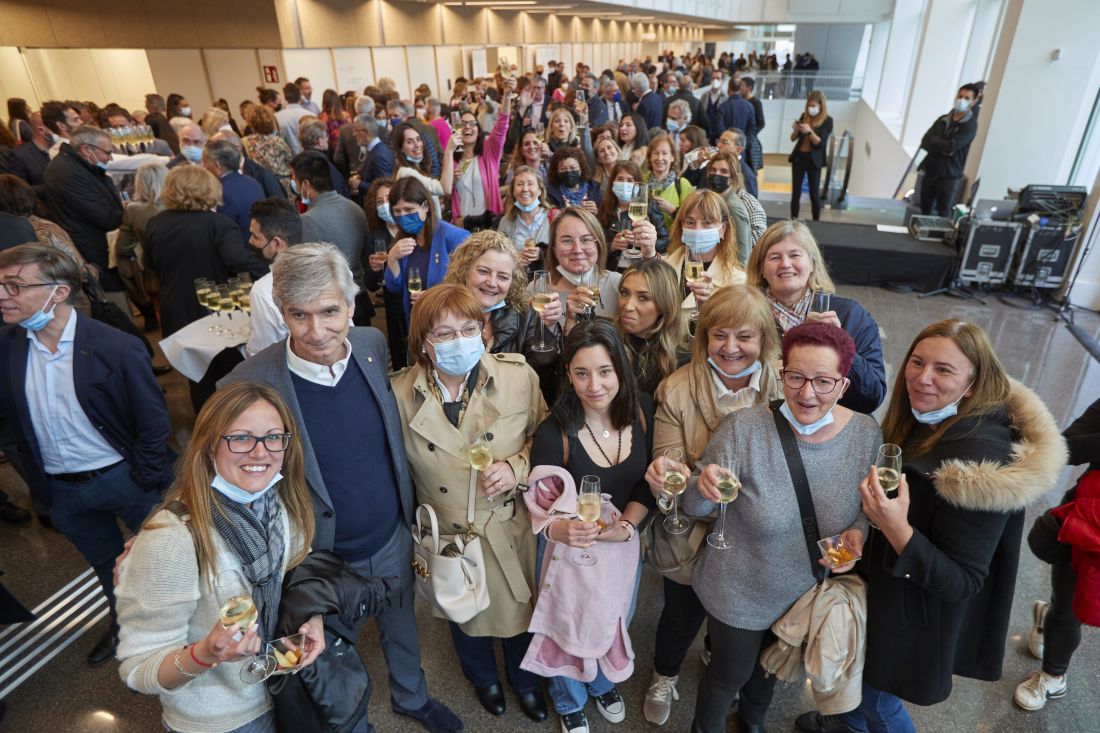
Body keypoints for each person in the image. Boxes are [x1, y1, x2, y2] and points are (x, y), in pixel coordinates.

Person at [221, 243, 464, 733]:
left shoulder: (372, 345)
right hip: (318, 554)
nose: (317, 332)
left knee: (402, 625)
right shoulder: (250, 381)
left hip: (390, 535)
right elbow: (219, 473)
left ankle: (412, 697)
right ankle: (349, 716)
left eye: (330, 311)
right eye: (299, 315)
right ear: (281, 312)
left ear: (352, 305)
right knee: (328, 646)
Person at [827, 319, 1065, 733]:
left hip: (914, 618)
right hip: (890, 596)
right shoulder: (932, 422)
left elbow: (962, 581)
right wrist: (868, 529)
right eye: (917, 362)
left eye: (944, 370)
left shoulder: (974, 468)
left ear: (972, 384)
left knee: (875, 702)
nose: (922, 378)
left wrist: (894, 527)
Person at [683, 322, 881, 733]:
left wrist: (858, 534)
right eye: (796, 377)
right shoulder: (744, 429)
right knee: (728, 676)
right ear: (781, 373)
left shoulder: (865, 434)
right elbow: (693, 504)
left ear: (844, 386)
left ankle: (752, 723)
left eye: (823, 381)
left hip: (804, 591)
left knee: (771, 672)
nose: (807, 394)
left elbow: (866, 508)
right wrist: (702, 488)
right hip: (738, 588)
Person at [0, 243, 175, 666]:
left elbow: (153, 422)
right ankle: (123, 626)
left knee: (163, 562)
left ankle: (173, 637)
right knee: (104, 566)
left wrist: (146, 480)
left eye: (14, 285)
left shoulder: (116, 347)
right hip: (64, 492)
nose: (3, 296)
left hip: (124, 480)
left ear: (58, 292)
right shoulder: (7, 346)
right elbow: (12, 424)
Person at [115, 382, 324, 733]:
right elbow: (138, 669)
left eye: (273, 437)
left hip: (281, 690)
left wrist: (312, 618)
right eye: (241, 438)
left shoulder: (281, 504)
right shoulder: (172, 538)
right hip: (220, 720)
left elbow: (299, 570)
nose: (260, 452)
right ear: (210, 445)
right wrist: (206, 654)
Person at [392, 284, 548, 721]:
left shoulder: (518, 376)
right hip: (448, 534)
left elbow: (547, 437)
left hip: (506, 523)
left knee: (520, 614)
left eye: (468, 328)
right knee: (466, 618)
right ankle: (484, 680)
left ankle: (526, 682)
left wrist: (517, 467)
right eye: (442, 334)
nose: (458, 341)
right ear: (422, 342)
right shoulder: (399, 395)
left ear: (486, 332)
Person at [642, 285, 782, 725]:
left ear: (764, 339)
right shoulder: (677, 389)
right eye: (719, 335)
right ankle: (664, 674)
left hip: (756, 536)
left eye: (745, 336)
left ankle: (718, 654)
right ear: (703, 338)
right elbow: (668, 467)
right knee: (680, 614)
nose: (731, 348)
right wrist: (676, 476)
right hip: (695, 529)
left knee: (744, 624)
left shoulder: (785, 384)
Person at [528, 318, 656, 733]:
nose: (594, 385)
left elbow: (646, 483)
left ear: (620, 368)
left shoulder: (644, 411)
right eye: (581, 373)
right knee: (565, 626)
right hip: (568, 547)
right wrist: (558, 529)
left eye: (604, 371)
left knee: (615, 618)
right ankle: (569, 701)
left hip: (621, 545)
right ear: (568, 375)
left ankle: (600, 682)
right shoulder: (554, 433)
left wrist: (628, 527)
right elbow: (538, 503)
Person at [144, 166, 268, 409]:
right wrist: (271, 273)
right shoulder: (218, 224)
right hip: (215, 311)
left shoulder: (156, 223)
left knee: (198, 379)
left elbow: (149, 263)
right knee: (230, 377)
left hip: (175, 309)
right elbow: (238, 260)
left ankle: (207, 429)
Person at [747, 220, 885, 414]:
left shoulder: (852, 314)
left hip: (832, 432)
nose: (785, 264)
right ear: (761, 269)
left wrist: (840, 342)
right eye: (775, 257)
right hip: (767, 425)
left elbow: (872, 397)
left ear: (812, 263)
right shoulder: (747, 316)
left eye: (794, 255)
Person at [1015, 398, 1100, 711]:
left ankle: (1048, 622)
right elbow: (1064, 448)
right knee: (1070, 605)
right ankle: (1053, 676)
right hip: (1089, 524)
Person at [43, 125, 127, 300]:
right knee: (113, 298)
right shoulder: (67, 172)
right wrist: (126, 212)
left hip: (97, 241)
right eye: (107, 152)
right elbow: (105, 218)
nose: (110, 158)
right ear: (87, 150)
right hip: (93, 247)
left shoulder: (77, 166)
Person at [291, 151, 372, 324]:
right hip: (361, 296)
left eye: (294, 180)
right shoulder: (355, 208)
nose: (294, 186)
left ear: (305, 184)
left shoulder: (307, 221)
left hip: (334, 303)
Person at [383, 176, 470, 324]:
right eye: (397, 211)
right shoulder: (403, 240)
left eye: (409, 209)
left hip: (449, 322)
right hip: (417, 323)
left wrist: (435, 296)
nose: (403, 216)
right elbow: (394, 288)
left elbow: (470, 286)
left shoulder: (454, 237)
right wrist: (392, 258)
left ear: (426, 207)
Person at [663, 189, 746, 319]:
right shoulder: (665, 266)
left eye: (707, 223)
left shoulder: (737, 282)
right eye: (690, 222)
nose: (697, 229)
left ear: (723, 229)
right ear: (681, 226)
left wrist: (707, 307)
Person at [443, 79, 512, 229]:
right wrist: (452, 180)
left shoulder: (488, 153)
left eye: (472, 123)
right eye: (463, 124)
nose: (468, 127)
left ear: (478, 130)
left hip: (489, 225)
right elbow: (445, 192)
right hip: (463, 227)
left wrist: (506, 95)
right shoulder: (452, 160)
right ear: (456, 129)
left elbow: (502, 126)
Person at [615, 258, 689, 397]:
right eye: (625, 293)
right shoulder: (604, 343)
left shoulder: (681, 360)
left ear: (663, 305)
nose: (628, 306)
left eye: (643, 298)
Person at [245, 197, 303, 358]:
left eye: (255, 237)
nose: (250, 241)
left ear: (276, 243)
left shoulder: (263, 290)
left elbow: (261, 353)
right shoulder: (330, 268)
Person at [114, 162, 167, 331]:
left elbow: (122, 247)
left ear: (140, 183)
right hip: (187, 270)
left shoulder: (134, 210)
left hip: (155, 274)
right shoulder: (182, 205)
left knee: (166, 320)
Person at [918, 84, 980, 216]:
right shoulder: (943, 119)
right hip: (931, 170)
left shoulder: (970, 125)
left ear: (974, 102)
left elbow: (952, 146)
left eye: (967, 98)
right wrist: (943, 147)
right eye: (960, 96)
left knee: (943, 211)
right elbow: (925, 141)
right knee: (924, 208)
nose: (962, 100)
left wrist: (937, 142)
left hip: (949, 175)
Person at [597, 161, 669, 270]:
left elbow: (664, 241)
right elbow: (595, 242)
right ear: (612, 182)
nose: (625, 184)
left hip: (642, 269)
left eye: (630, 180)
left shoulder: (649, 205)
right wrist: (611, 246)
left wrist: (642, 243)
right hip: (612, 270)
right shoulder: (605, 207)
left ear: (637, 184)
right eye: (620, 179)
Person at [703, 151, 766, 249]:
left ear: (733, 178)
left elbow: (745, 248)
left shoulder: (739, 204)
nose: (716, 175)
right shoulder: (714, 198)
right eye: (713, 170)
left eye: (723, 171)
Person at [203, 139, 265, 237]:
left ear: (217, 166)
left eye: (205, 163)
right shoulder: (252, 181)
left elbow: (222, 231)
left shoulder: (220, 192)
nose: (204, 167)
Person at [495, 166, 552, 272]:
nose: (525, 189)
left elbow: (563, 252)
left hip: (546, 284)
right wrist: (514, 258)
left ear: (540, 191)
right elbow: (497, 255)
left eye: (530, 184)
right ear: (513, 192)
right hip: (516, 283)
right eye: (520, 184)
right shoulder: (505, 222)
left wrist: (542, 253)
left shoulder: (553, 218)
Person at [789, 91, 833, 221]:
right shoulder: (804, 116)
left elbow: (820, 143)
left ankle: (816, 221)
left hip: (814, 160)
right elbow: (792, 138)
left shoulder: (828, 121)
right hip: (799, 157)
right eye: (809, 105)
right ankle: (793, 220)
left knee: (814, 194)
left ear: (821, 105)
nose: (810, 108)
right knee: (795, 193)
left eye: (813, 105)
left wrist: (809, 132)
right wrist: (796, 130)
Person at [392, 121, 445, 220]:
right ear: (400, 148)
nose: (417, 145)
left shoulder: (418, 167)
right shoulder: (406, 172)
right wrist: (449, 151)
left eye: (418, 139)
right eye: (409, 142)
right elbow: (441, 188)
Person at [243, 106, 294, 198]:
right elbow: (290, 161)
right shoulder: (278, 141)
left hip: (261, 184)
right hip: (283, 183)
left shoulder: (246, 142)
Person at [645, 133, 694, 229]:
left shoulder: (682, 184)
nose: (659, 158)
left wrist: (672, 210)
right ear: (650, 157)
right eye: (655, 153)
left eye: (664, 153)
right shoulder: (641, 181)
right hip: (644, 240)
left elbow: (691, 220)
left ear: (672, 157)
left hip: (673, 242)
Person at [350, 113, 395, 197]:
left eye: (356, 130)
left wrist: (359, 184)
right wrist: (360, 173)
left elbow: (384, 187)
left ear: (366, 132)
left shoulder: (379, 156)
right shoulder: (377, 148)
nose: (354, 134)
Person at [547, 146, 601, 213]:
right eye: (563, 169)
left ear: (581, 169)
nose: (568, 172)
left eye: (573, 168)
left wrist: (597, 212)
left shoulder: (595, 188)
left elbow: (604, 216)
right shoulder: (551, 193)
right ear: (557, 171)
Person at [275, 82, 310, 155]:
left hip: (289, 159)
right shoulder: (310, 115)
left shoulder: (276, 117)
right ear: (300, 96)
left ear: (285, 98)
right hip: (309, 157)